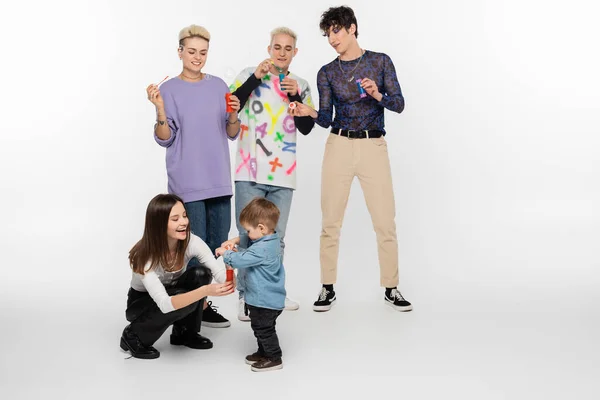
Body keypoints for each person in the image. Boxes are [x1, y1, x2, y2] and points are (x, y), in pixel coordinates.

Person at [288, 6, 413, 312]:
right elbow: (327, 118)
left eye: (337, 31)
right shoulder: (327, 72)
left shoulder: (380, 61)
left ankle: (391, 287)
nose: (332, 38)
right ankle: (327, 286)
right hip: (339, 145)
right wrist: (309, 111)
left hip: (373, 145)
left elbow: (399, 104)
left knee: (385, 221)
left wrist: (377, 94)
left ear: (352, 28)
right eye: (328, 33)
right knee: (330, 221)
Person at [146, 24, 241, 327]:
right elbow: (164, 137)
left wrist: (235, 114)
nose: (197, 57)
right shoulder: (169, 89)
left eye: (203, 52)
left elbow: (232, 132)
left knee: (216, 247)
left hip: (218, 179)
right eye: (191, 51)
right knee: (191, 251)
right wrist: (160, 110)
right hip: (187, 182)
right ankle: (188, 313)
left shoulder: (219, 86)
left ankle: (201, 306)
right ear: (180, 52)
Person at [226, 27, 315, 320]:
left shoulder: (300, 83)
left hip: (283, 173)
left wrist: (297, 96)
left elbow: (306, 127)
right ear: (269, 48)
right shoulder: (249, 73)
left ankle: (272, 293)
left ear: (294, 53)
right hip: (249, 169)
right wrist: (256, 79)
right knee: (246, 235)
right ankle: (245, 297)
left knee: (275, 238)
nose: (281, 52)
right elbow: (231, 106)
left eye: (287, 48)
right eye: (277, 47)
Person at [120, 194, 235, 360]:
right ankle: (133, 336)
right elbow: (166, 304)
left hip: (174, 292)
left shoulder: (192, 241)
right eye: (175, 219)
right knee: (179, 296)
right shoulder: (144, 255)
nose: (184, 222)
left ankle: (185, 333)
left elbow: (223, 279)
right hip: (141, 303)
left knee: (201, 274)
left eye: (184, 216)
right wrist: (204, 291)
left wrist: (230, 262)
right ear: (159, 224)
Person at [215, 198, 285, 372]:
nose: (246, 234)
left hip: (264, 300)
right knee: (260, 327)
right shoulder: (270, 241)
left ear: (261, 228)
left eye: (248, 230)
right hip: (264, 298)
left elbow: (241, 260)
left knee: (264, 329)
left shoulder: (262, 249)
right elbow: (249, 249)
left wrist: (225, 254)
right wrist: (236, 242)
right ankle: (264, 351)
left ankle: (274, 357)